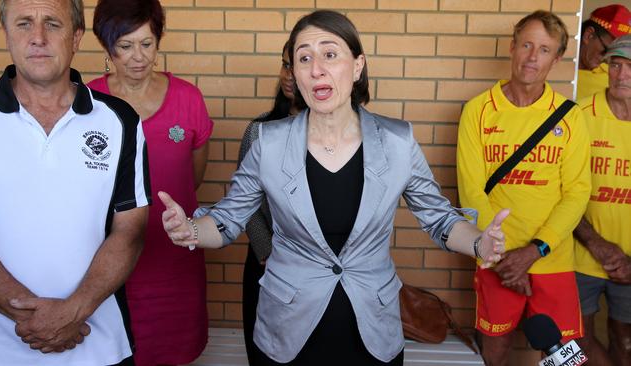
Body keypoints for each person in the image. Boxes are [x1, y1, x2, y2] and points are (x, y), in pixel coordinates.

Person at [161, 10, 509, 366]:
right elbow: (228, 219)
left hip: (372, 329)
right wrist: (188, 228)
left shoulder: (397, 141)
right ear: (294, 73)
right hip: (287, 331)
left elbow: (441, 220)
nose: (316, 69)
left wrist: (480, 242)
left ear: (358, 66)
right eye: (304, 58)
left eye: (330, 54)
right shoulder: (269, 141)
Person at [0, 0, 151, 365]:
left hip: (99, 344)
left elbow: (130, 232)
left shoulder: (120, 121)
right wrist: (35, 319)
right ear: (6, 34)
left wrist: (74, 311)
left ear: (76, 38)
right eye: (24, 23)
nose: (38, 37)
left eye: (53, 24)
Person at [456, 10, 592, 366]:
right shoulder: (478, 111)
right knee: (495, 350)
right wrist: (502, 259)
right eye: (527, 45)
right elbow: (471, 191)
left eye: (544, 50)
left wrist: (533, 252)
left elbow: (577, 193)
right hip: (495, 259)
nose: (533, 57)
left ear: (557, 59)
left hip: (552, 259)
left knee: (564, 360)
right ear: (512, 47)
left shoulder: (569, 116)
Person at [88, 0, 213, 365]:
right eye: (125, 46)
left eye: (147, 43)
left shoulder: (188, 99)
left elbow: (193, 178)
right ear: (107, 48)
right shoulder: (89, 102)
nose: (138, 56)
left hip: (175, 261)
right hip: (106, 259)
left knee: (175, 351)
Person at [238, 41, 300, 366]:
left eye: (297, 65)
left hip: (314, 269)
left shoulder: (344, 135)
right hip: (266, 263)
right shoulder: (259, 129)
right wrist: (266, 251)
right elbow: (244, 202)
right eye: (285, 65)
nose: (288, 75)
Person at [574, 35, 631, 366]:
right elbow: (561, 191)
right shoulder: (580, 115)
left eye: (630, 68)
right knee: (574, 342)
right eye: (616, 65)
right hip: (581, 255)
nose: (621, 75)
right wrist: (595, 243)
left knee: (625, 343)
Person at [577, 4, 631, 100]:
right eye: (606, 50)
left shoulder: (613, 74)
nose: (607, 59)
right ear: (588, 35)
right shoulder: (557, 72)